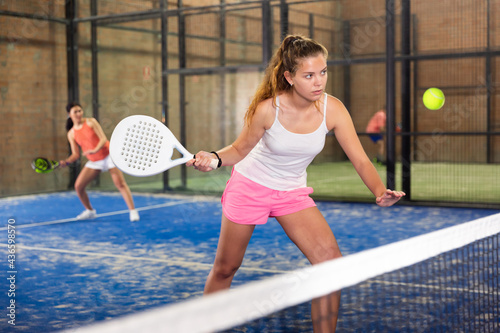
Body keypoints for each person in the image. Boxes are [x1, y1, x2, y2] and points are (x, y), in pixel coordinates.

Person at [188, 35, 405, 332]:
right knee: (226, 268)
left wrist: (380, 192)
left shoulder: (333, 109)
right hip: (250, 187)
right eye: (309, 75)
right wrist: (213, 157)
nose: (319, 82)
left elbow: (361, 159)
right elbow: (239, 150)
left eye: (323, 72)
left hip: (291, 193)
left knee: (330, 264)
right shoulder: (267, 109)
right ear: (289, 77)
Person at [60, 102, 140, 222]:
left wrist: (94, 150)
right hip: (94, 161)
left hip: (109, 155)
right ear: (69, 114)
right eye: (75, 112)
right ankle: (90, 211)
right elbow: (76, 154)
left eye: (80, 111)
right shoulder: (71, 133)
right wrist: (66, 162)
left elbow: (103, 139)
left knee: (120, 184)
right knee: (78, 186)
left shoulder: (91, 122)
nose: (78, 114)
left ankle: (133, 211)